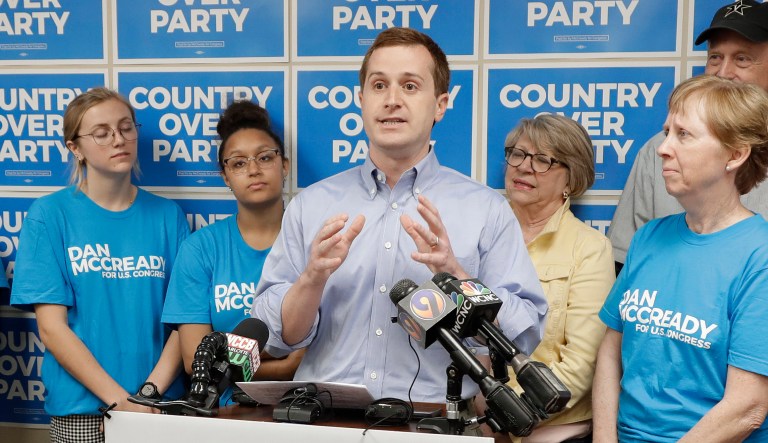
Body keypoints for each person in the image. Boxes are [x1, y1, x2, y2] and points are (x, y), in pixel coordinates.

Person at [252, 27, 547, 405]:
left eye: (410, 86)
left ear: (440, 104)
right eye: (379, 86)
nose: (392, 100)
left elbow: (523, 333)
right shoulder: (311, 205)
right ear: (361, 100)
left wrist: (459, 276)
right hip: (325, 419)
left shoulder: (486, 209)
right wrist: (312, 278)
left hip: (436, 423)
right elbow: (277, 338)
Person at [593, 75, 768, 441]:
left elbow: (748, 406)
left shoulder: (760, 255)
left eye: (683, 135)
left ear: (735, 154)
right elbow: (610, 353)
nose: (663, 148)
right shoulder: (649, 238)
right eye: (666, 131)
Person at [10, 87, 189, 442]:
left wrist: (148, 393)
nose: (118, 140)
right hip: (83, 410)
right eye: (102, 133)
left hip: (160, 406)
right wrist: (121, 401)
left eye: (126, 128)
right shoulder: (48, 216)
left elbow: (187, 319)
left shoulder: (168, 216)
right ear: (75, 147)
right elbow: (52, 329)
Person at [608, 0, 768, 273]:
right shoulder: (659, 148)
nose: (723, 72)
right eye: (715, 57)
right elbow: (623, 262)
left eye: (742, 59)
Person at [162, 101, 304, 397]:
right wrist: (283, 367)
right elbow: (195, 360)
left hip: (306, 412)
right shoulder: (200, 249)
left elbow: (324, 347)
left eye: (265, 157)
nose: (253, 170)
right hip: (225, 417)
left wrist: (225, 350)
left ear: (285, 165)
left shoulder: (315, 242)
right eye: (239, 163)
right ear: (225, 176)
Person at [504, 114, 615, 442]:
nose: (524, 167)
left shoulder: (590, 249)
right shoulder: (479, 233)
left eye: (543, 160)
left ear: (571, 180)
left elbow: (580, 366)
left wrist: (505, 414)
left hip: (551, 431)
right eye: (518, 154)